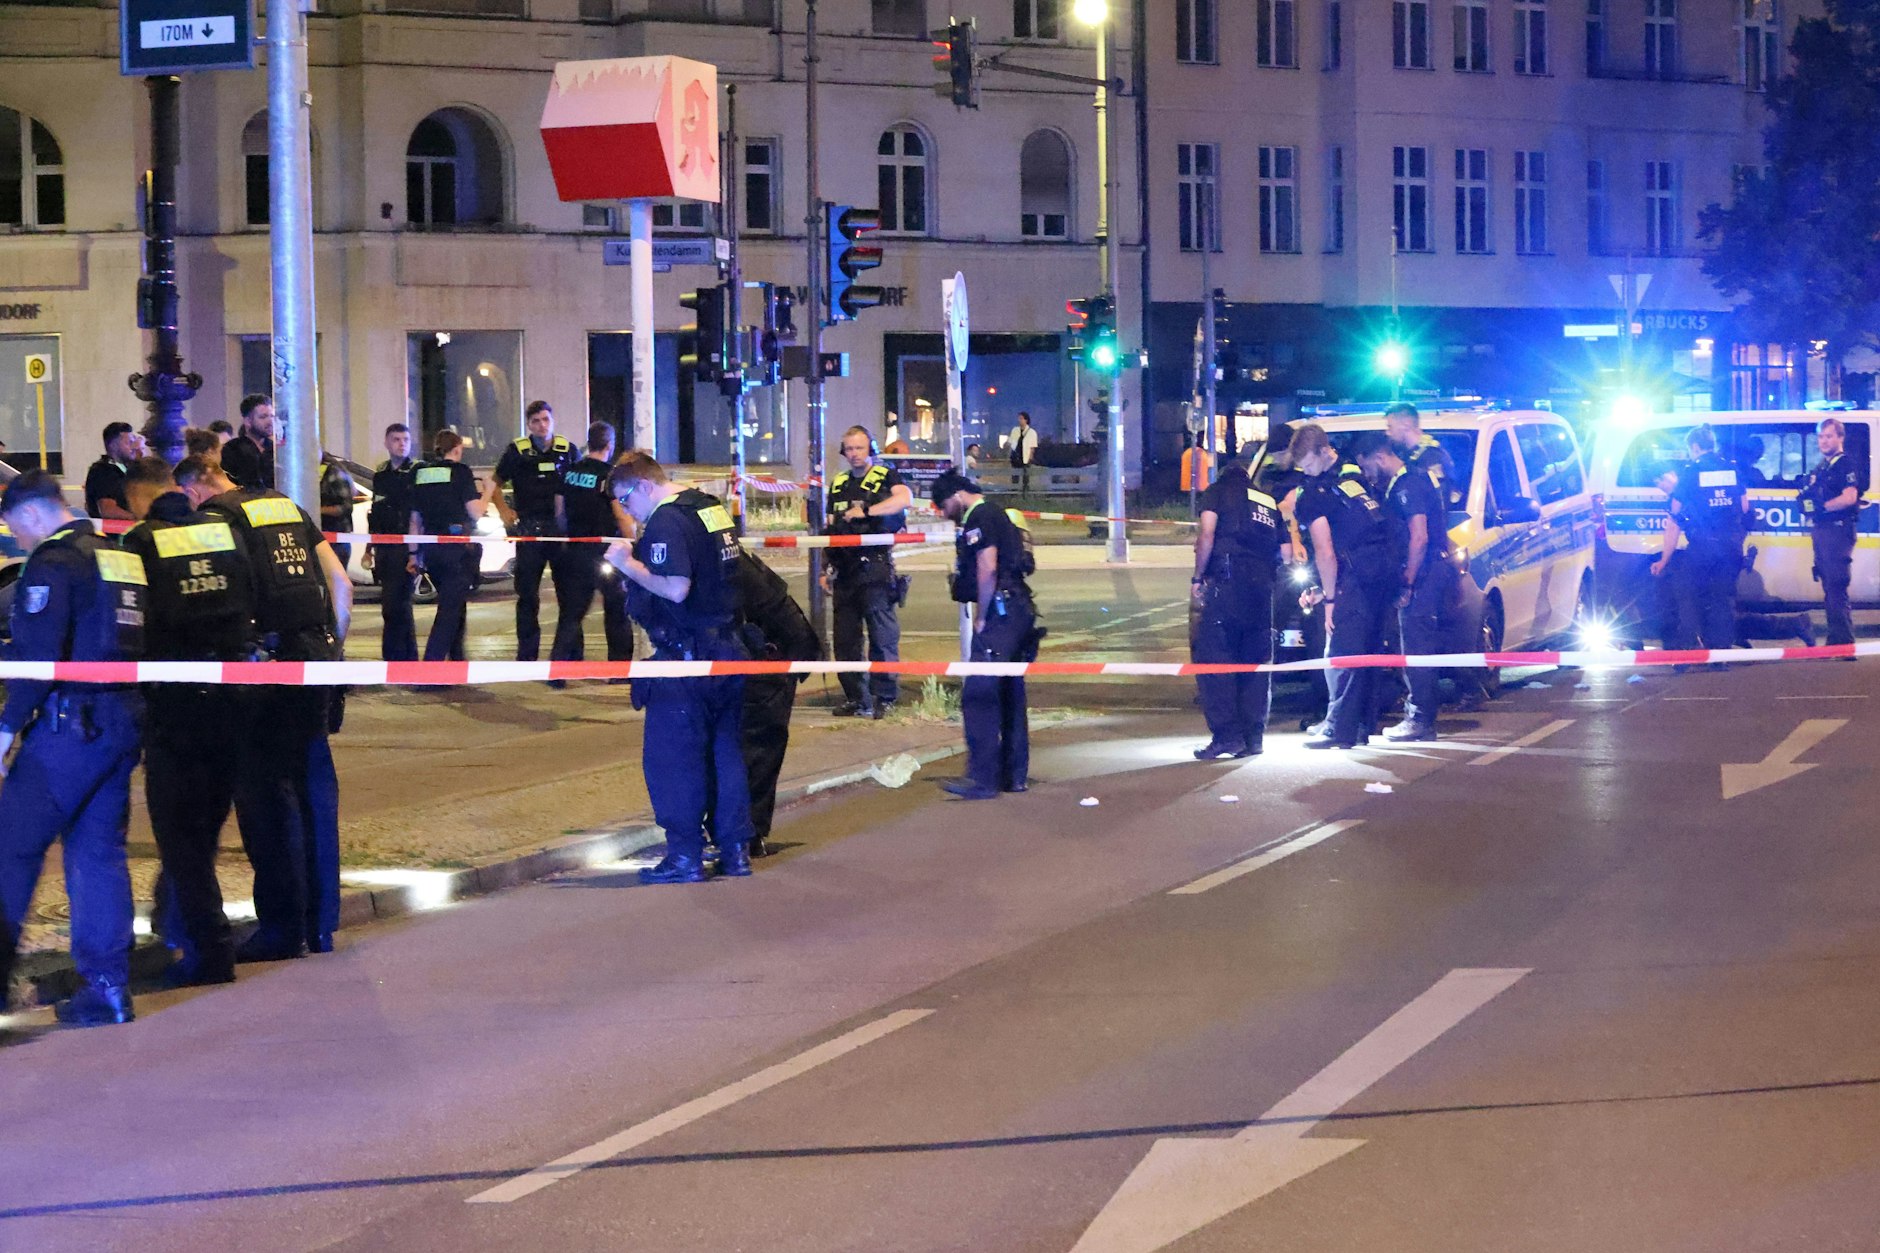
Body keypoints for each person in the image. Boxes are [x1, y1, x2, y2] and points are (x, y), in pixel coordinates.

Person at [183, 454, 352, 960]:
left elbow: (220, 604)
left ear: (196, 487)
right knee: (314, 791)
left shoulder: (217, 518)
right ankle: (321, 924)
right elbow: (341, 585)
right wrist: (331, 652)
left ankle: (282, 927)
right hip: (315, 660)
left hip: (265, 669)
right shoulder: (286, 507)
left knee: (265, 798)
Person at [0, 471, 145, 1026]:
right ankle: (107, 989)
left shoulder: (54, 562)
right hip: (121, 722)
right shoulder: (118, 555)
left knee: (11, 847)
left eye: (16, 529)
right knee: (97, 854)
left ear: (33, 514)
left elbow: (37, 662)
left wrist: (7, 729)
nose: (18, 542)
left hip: (68, 728)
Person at [120, 456, 260, 987]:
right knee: (205, 830)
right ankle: (177, 924)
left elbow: (133, 624)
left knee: (180, 837)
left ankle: (209, 949)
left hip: (174, 710)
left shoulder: (140, 543)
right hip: (229, 702)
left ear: (138, 498)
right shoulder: (221, 532)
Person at [608, 452, 753, 884]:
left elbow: (675, 588)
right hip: (727, 650)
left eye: (625, 499)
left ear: (645, 486)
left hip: (686, 659)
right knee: (725, 756)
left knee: (675, 760)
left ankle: (685, 856)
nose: (626, 510)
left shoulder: (668, 520)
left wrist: (626, 564)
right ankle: (734, 851)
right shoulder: (708, 507)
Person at [932, 469, 1040, 799]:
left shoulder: (979, 516)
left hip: (1000, 612)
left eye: (942, 506)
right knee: (1009, 692)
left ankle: (982, 779)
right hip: (1019, 609)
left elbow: (987, 566)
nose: (942, 513)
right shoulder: (997, 513)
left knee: (977, 694)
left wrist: (981, 616)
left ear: (956, 496)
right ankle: (1014, 774)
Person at [709, 548, 822, 857]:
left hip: (772, 654)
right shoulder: (714, 543)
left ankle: (747, 835)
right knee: (744, 744)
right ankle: (740, 834)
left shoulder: (701, 550)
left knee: (756, 743)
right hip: (765, 648)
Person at [1292, 424, 1396, 750]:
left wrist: (1330, 599)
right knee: (1367, 655)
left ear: (1324, 452)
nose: (1307, 472)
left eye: (1309, 464)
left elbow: (1325, 552)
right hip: (1381, 575)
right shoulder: (1355, 483)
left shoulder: (1313, 495)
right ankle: (1362, 725)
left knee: (1340, 654)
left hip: (1354, 578)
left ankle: (1338, 728)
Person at [1354, 432, 1453, 740]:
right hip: (1427, 571)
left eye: (1366, 466)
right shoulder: (1412, 479)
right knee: (1412, 644)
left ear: (1378, 457)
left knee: (1415, 645)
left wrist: (1408, 580)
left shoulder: (1407, 484)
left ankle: (1420, 718)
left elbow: (1419, 536)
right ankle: (1419, 714)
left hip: (1421, 575)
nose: (1367, 474)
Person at [1189, 450, 1281, 759]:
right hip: (1263, 588)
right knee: (1254, 662)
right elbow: (1282, 549)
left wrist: (1197, 578)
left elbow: (1207, 535)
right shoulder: (1267, 500)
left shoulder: (1216, 492)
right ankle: (1253, 736)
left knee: (1214, 658)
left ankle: (1227, 735)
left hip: (1227, 584)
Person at [823, 425, 912, 719]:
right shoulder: (838, 484)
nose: (854, 454)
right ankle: (856, 698)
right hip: (845, 571)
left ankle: (884, 698)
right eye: (849, 449)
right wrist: (826, 568)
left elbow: (904, 498)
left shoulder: (886, 476)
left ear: (870, 449)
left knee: (882, 637)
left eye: (859, 448)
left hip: (874, 568)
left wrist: (868, 512)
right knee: (845, 642)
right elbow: (830, 530)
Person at [1653, 423, 1748, 659]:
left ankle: (1690, 650)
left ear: (1695, 447)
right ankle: (1722, 656)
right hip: (1730, 546)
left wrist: (1665, 559)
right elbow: (1745, 507)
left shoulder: (1690, 472)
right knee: (1723, 601)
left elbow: (1675, 518)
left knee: (1691, 597)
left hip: (1703, 546)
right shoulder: (1731, 469)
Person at [493, 401, 578, 661]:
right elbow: (495, 483)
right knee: (527, 595)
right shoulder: (517, 451)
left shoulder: (568, 450)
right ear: (528, 424)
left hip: (560, 531)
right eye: (536, 421)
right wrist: (503, 511)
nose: (542, 425)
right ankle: (527, 656)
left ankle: (570, 655)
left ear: (552, 420)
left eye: (545, 420)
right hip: (529, 530)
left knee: (569, 595)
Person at [550, 422, 634, 666]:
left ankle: (558, 668)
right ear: (610, 445)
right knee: (617, 609)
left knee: (571, 613)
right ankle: (618, 668)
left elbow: (559, 512)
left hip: (576, 550)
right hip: (606, 553)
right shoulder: (609, 475)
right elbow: (620, 514)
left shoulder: (570, 472)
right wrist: (633, 541)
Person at [410, 429, 484, 662]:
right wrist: (489, 491)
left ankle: (457, 660)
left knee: (454, 602)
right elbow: (476, 512)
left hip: (431, 549)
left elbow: (415, 519)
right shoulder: (460, 472)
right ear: (457, 448)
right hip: (456, 549)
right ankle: (431, 668)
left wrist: (413, 555)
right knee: (449, 610)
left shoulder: (420, 473)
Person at [1800, 417, 1862, 648]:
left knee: (1836, 586)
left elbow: (1850, 497)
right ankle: (1835, 640)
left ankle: (1844, 643)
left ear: (1840, 437)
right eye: (1821, 436)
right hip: (1824, 531)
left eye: (1829, 436)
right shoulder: (1824, 466)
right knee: (1829, 587)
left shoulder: (1844, 464)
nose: (1824, 441)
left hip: (1837, 531)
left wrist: (1822, 507)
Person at [367, 423, 420, 661]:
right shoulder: (381, 474)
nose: (402, 444)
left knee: (399, 603)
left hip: (406, 545)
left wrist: (415, 553)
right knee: (391, 604)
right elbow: (375, 511)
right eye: (396, 439)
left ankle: (402, 658)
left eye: (406, 440)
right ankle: (396, 657)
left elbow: (417, 514)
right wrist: (369, 548)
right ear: (387, 443)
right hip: (385, 546)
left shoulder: (417, 472)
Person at [1384, 402, 1461, 510]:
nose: (1388, 432)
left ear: (1405, 424)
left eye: (1390, 427)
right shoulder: (1411, 455)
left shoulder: (1430, 457)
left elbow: (1439, 502)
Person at [83, 421, 147, 520]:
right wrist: (139, 519)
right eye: (129, 443)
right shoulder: (103, 471)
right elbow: (108, 510)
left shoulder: (128, 470)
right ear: (113, 445)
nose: (133, 447)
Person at [221, 394, 277, 491]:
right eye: (263, 417)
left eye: (271, 416)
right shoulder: (233, 449)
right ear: (248, 421)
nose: (270, 422)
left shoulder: (275, 450)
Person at [319, 456, 357, 569]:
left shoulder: (334, 472)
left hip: (336, 541)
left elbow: (346, 507)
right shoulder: (320, 471)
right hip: (326, 539)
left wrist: (318, 510)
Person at [1008, 411, 1039, 494]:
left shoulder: (1032, 432)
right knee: (1015, 477)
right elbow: (1012, 443)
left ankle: (1025, 493)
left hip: (1025, 458)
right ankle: (1013, 493)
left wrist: (1030, 458)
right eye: (1019, 418)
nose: (1019, 420)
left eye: (1021, 418)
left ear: (1026, 420)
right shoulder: (1015, 430)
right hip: (1015, 457)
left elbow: (1032, 447)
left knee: (1026, 478)